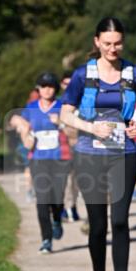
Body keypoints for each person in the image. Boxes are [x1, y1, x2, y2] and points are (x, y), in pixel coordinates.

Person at [60, 17, 136, 271]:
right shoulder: (81, 75)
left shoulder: (133, 72)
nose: (113, 48)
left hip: (124, 153)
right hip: (89, 155)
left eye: (118, 43)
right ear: (96, 42)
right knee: (97, 226)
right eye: (107, 43)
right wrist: (88, 127)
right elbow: (66, 114)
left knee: (120, 220)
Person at [15, 73, 70, 253]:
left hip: (60, 157)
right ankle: (46, 239)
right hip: (38, 158)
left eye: (51, 86)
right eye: (43, 86)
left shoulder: (63, 106)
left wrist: (61, 122)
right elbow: (23, 128)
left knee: (57, 197)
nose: (47, 90)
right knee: (42, 200)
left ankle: (57, 219)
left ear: (55, 89)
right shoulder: (31, 108)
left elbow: (74, 129)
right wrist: (25, 136)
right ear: (38, 89)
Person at [59, 72, 81, 221]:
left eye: (70, 84)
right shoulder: (58, 103)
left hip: (79, 146)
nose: (68, 87)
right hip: (62, 148)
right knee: (64, 180)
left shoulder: (81, 101)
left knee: (76, 180)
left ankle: (72, 206)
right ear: (61, 85)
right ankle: (63, 208)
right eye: (66, 84)